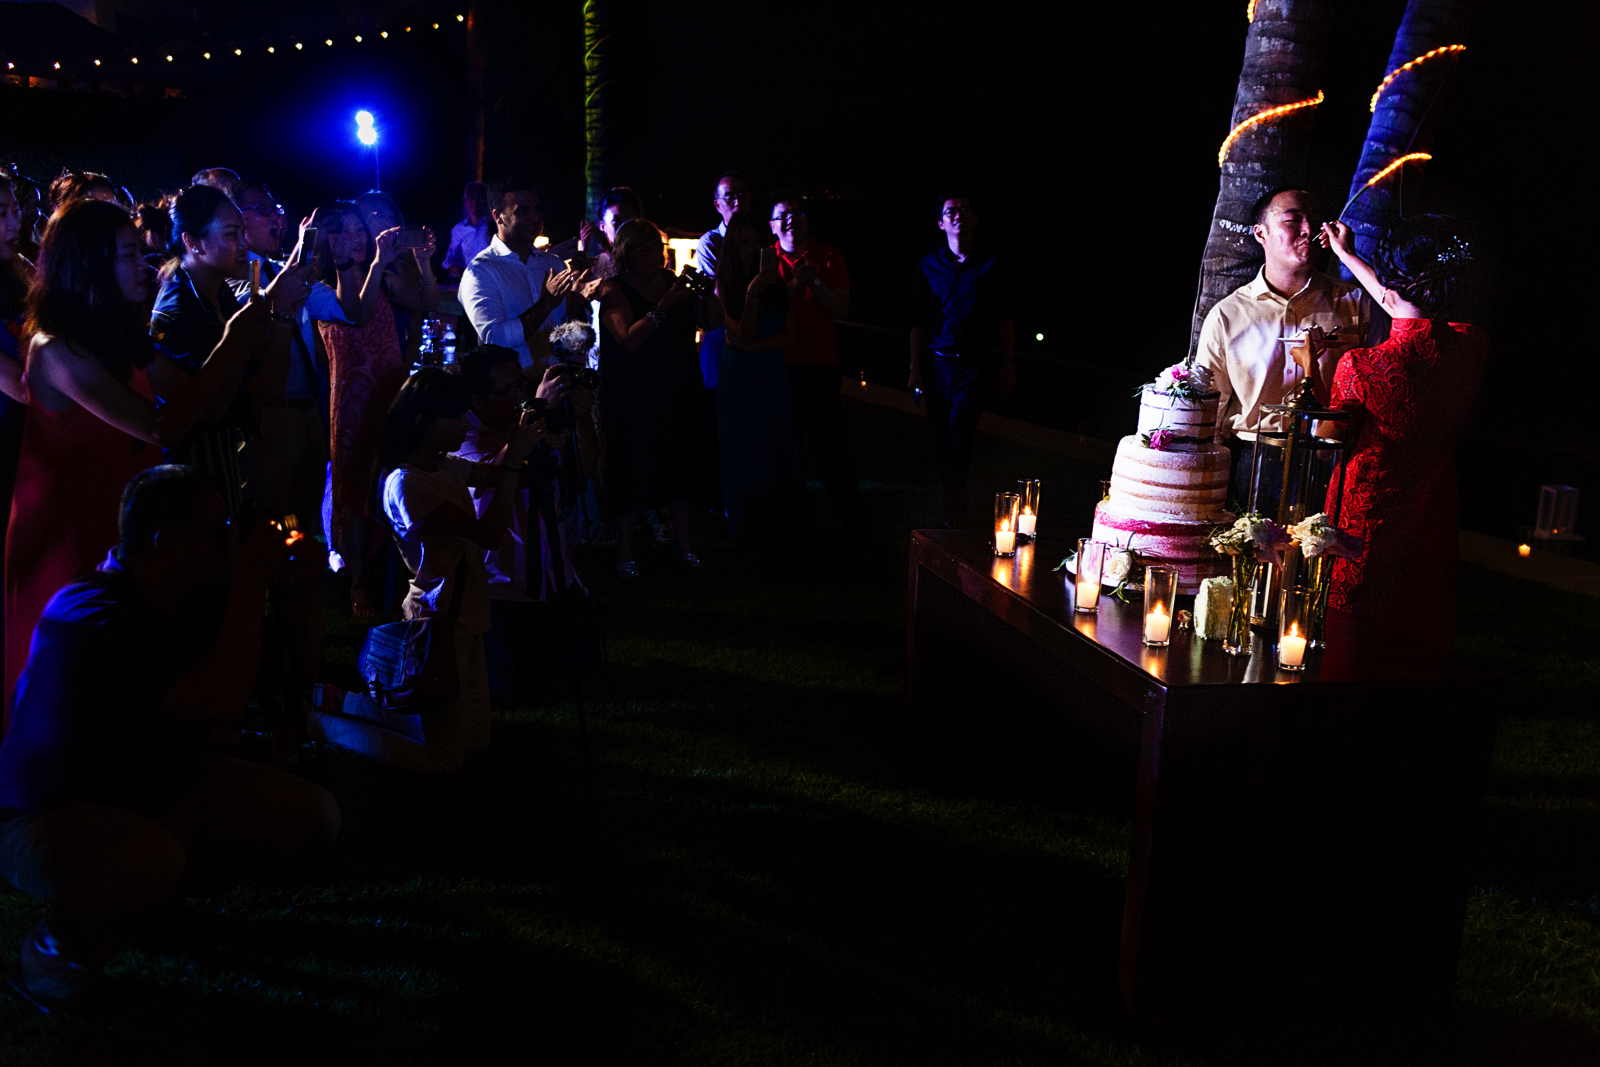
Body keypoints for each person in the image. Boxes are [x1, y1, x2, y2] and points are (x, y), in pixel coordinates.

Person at [0, 465, 341, 1010]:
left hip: (154, 790)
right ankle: (46, 961)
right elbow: (219, 704)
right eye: (218, 528)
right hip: (45, 818)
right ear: (167, 543)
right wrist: (251, 584)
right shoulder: (93, 608)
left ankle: (157, 909)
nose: (231, 541)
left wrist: (299, 596)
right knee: (147, 858)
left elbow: (294, 690)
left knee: (311, 815)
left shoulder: (186, 598)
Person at [5, 199, 279, 720]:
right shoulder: (54, 349)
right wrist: (230, 339)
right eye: (129, 255)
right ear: (88, 264)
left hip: (116, 518)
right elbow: (161, 424)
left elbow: (203, 404)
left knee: (124, 673)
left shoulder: (122, 337)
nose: (145, 265)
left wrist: (245, 343)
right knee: (66, 678)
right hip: (65, 533)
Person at [306, 369, 545, 771]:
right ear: (423, 421)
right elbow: (487, 533)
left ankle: (344, 702)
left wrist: (528, 437)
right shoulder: (406, 483)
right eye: (455, 417)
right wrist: (515, 457)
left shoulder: (445, 467)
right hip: (437, 623)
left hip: (467, 615)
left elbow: (503, 476)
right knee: (445, 760)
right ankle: (323, 723)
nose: (465, 425)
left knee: (476, 741)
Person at [1316, 215, 1487, 674]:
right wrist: (1348, 256)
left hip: (1365, 528)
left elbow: (1327, 438)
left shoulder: (1361, 366)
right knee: (1411, 659)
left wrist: (1312, 374)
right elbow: (1408, 313)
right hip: (1429, 518)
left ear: (1392, 287)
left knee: (1351, 657)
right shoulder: (1471, 347)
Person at [1192, 187, 1368, 511]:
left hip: (1331, 458)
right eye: (1293, 220)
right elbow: (1209, 410)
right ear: (1261, 233)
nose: (1309, 230)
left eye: (1315, 220)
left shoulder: (1354, 304)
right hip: (1252, 458)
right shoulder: (1228, 315)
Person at [150, 185, 313, 513]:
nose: (243, 245)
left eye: (242, 233)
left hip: (233, 468)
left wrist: (281, 314)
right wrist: (272, 314)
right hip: (195, 485)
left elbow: (267, 385)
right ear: (193, 242)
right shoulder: (177, 310)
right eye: (230, 234)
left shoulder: (220, 295)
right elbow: (214, 408)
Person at [453, 344, 598, 703]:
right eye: (510, 390)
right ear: (476, 399)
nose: (520, 395)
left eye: (522, 385)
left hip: (557, 577)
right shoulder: (460, 435)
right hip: (503, 587)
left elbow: (587, 469)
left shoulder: (529, 422)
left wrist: (581, 418)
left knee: (582, 685)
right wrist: (538, 409)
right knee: (520, 692)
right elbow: (496, 474)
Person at [595, 219, 722, 575]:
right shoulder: (613, 289)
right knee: (631, 468)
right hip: (632, 393)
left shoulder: (674, 283)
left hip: (677, 387)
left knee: (679, 466)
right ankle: (625, 551)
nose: (651, 255)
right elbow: (629, 339)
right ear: (625, 253)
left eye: (655, 247)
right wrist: (664, 304)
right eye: (641, 248)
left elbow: (713, 322)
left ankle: (683, 545)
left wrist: (706, 292)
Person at [231, 180, 352, 523]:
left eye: (277, 209)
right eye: (264, 210)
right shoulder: (234, 273)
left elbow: (347, 311)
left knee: (306, 520)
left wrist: (350, 261)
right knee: (272, 520)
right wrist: (305, 243)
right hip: (268, 417)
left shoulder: (281, 268)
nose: (277, 218)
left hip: (308, 412)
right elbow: (261, 302)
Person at [308, 201, 407, 613]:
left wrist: (409, 261)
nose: (358, 238)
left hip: (388, 387)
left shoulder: (377, 278)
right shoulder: (317, 287)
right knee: (353, 483)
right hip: (350, 395)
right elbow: (357, 316)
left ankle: (396, 569)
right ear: (327, 241)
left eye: (359, 229)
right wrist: (371, 264)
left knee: (392, 475)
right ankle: (358, 581)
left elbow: (419, 303)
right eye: (344, 231)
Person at [908, 194, 1015, 527]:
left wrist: (1009, 362)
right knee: (942, 436)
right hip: (937, 363)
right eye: (950, 212)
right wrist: (914, 369)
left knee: (960, 432)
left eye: (963, 210)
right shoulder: (929, 265)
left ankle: (955, 503)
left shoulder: (991, 264)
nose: (957, 215)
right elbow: (918, 321)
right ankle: (950, 500)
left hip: (974, 364)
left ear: (974, 218)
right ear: (941, 223)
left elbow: (1005, 317)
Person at [769, 194, 859, 527]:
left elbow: (841, 308)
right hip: (780, 365)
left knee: (831, 447)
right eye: (782, 215)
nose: (790, 219)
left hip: (821, 366)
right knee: (786, 449)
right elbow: (769, 311)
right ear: (772, 226)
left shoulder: (829, 255)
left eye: (796, 214)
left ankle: (850, 521)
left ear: (807, 221)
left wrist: (815, 280)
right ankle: (790, 519)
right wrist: (796, 284)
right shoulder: (767, 260)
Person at [715, 211, 802, 554]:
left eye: (756, 242)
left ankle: (780, 528)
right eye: (744, 243)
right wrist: (752, 293)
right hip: (740, 376)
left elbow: (789, 335)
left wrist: (755, 346)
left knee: (775, 447)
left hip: (770, 370)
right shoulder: (725, 282)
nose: (751, 250)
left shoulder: (777, 281)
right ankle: (746, 530)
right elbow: (744, 331)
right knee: (743, 449)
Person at [459, 177, 589, 370]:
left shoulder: (553, 264)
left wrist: (579, 304)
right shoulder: (480, 271)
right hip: (513, 391)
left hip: (559, 384)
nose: (535, 218)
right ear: (498, 216)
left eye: (538, 209)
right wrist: (545, 304)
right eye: (523, 211)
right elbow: (495, 339)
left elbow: (570, 335)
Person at [354, 190, 440, 365]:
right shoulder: (346, 268)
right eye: (379, 215)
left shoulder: (398, 269)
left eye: (392, 217)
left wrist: (423, 263)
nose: (388, 222)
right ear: (360, 221)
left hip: (392, 372)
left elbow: (427, 307)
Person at [694, 172, 748, 390]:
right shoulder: (711, 242)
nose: (737, 201)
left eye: (742, 194)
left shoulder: (761, 240)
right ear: (717, 205)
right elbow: (715, 291)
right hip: (722, 331)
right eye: (730, 196)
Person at [442, 181, 492, 281]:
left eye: (480, 197)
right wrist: (453, 267)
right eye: (471, 197)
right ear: (465, 202)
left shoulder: (496, 226)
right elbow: (451, 258)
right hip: (469, 282)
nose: (475, 201)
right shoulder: (459, 230)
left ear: (487, 201)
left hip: (493, 282)